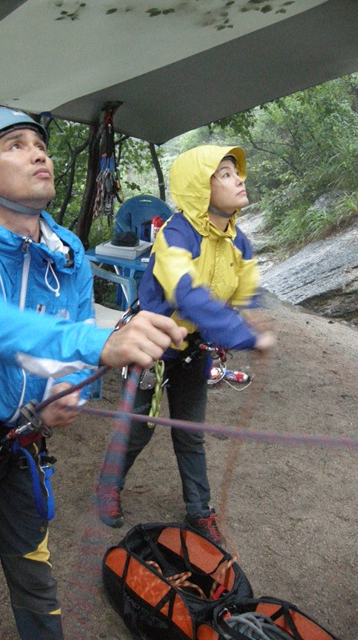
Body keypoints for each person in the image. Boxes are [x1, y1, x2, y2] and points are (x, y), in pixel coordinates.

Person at [0, 106, 186, 640]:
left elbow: (73, 335)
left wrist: (66, 386)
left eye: (40, 145)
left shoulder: (68, 253)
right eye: (16, 146)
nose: (39, 155)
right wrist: (98, 343)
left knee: (34, 572)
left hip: (18, 441)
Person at [98, 145, 275, 545]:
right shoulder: (175, 235)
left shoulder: (238, 241)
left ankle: (199, 510)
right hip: (153, 347)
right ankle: (108, 486)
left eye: (236, 172)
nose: (239, 179)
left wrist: (251, 318)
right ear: (200, 187)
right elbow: (186, 293)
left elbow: (246, 292)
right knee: (138, 428)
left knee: (190, 432)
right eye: (225, 174)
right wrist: (246, 335)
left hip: (194, 349)